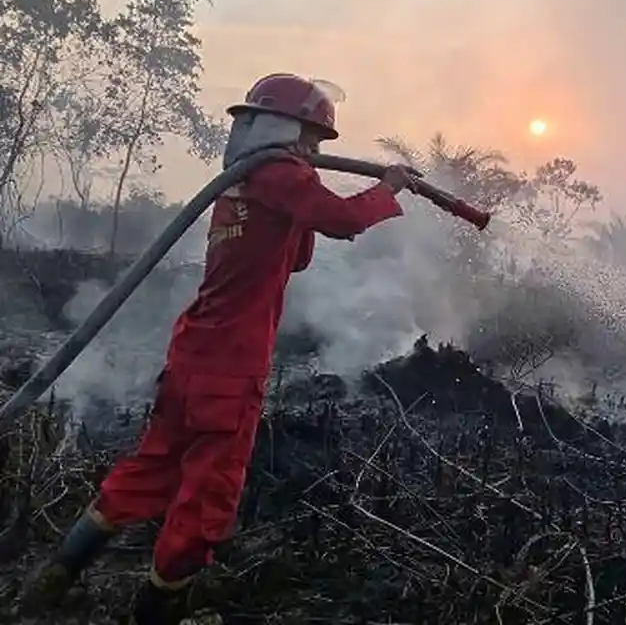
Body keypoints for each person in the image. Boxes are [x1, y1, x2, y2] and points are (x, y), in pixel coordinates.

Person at [22, 73, 416, 625]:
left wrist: (307, 205)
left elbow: (293, 257)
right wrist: (388, 188)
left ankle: (56, 575)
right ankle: (156, 614)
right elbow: (343, 220)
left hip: (193, 356)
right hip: (229, 369)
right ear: (283, 128)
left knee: (150, 469)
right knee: (207, 500)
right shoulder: (279, 174)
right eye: (311, 137)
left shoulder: (241, 183)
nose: (313, 151)